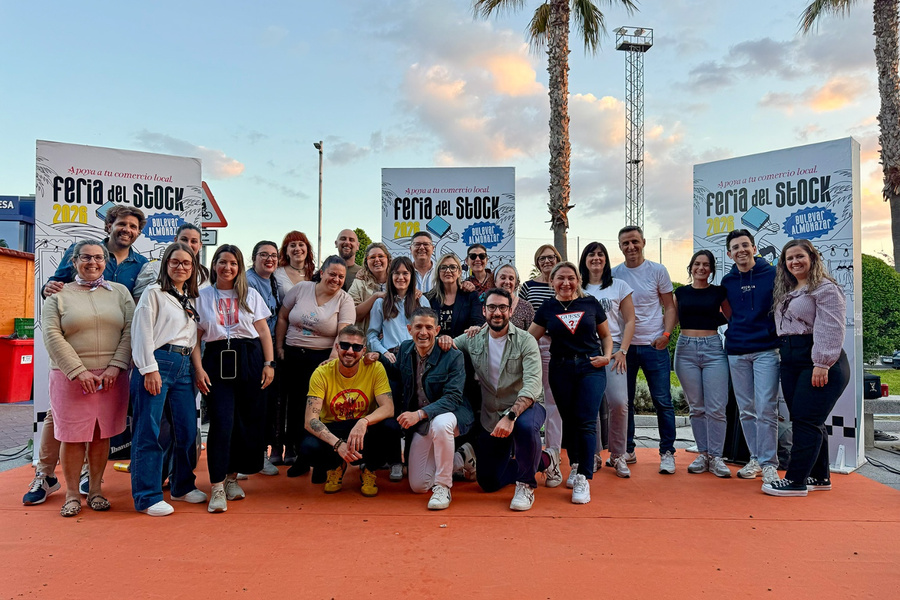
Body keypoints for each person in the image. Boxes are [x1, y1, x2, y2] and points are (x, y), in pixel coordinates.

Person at [25, 205, 148, 506]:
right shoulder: (81, 252)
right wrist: (47, 289)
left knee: (100, 430)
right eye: (121, 224)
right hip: (73, 367)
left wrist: (118, 364)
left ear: (138, 232)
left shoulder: (140, 264)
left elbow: (133, 319)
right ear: (109, 225)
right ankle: (45, 475)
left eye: (133, 226)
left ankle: (90, 483)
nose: (127, 230)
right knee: (62, 423)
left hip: (110, 365)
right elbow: (53, 290)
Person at [41, 240, 135, 516]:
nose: (92, 263)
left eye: (98, 258)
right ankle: (71, 494)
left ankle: (95, 490)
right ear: (74, 261)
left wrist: (116, 366)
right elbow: (51, 335)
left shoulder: (120, 292)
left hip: (110, 378)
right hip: (70, 377)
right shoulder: (58, 295)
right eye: (85, 257)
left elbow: (130, 330)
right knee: (71, 437)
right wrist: (77, 371)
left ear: (106, 262)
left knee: (100, 435)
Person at [442, 288, 555, 511]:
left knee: (524, 426)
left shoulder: (525, 340)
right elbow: (450, 345)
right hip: (491, 414)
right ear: (484, 311)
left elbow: (533, 384)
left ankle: (526, 484)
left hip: (526, 408)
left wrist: (511, 416)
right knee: (488, 482)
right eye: (492, 307)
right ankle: (544, 460)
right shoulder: (473, 339)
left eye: (502, 307)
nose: (497, 312)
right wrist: (444, 339)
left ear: (510, 311)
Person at [763, 240, 850, 497]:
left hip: (818, 359)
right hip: (791, 358)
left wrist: (822, 363)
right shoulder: (790, 289)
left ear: (812, 257)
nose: (794, 262)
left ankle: (796, 481)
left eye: (799, 256)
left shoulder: (824, 288)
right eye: (789, 258)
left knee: (806, 420)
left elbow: (831, 328)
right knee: (809, 420)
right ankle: (819, 476)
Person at [193, 244, 275, 513]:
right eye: (222, 262)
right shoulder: (201, 296)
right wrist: (198, 369)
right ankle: (216, 485)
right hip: (217, 360)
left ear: (239, 267)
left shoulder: (250, 295)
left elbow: (263, 331)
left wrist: (269, 364)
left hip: (249, 357)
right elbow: (194, 338)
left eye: (233, 263)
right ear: (214, 264)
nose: (227, 268)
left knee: (245, 422)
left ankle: (231, 479)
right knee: (221, 422)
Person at [130, 242, 206, 517]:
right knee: (149, 432)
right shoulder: (154, 293)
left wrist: (197, 369)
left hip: (184, 366)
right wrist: (149, 369)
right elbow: (142, 332)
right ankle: (147, 496)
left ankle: (182, 486)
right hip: (158, 363)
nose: (181, 267)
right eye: (175, 262)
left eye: (186, 263)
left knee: (186, 430)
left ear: (193, 267)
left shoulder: (190, 297)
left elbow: (193, 337)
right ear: (165, 264)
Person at [529, 262, 612, 504]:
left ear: (578, 281)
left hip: (590, 367)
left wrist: (606, 357)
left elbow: (606, 335)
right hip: (560, 368)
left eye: (571, 278)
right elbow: (529, 337)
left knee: (586, 421)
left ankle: (584, 478)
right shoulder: (547, 307)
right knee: (570, 420)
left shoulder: (590, 303)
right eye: (560, 278)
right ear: (551, 282)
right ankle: (575, 464)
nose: (566, 283)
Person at [385, 307, 474, 510]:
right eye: (418, 327)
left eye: (428, 327)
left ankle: (443, 486)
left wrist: (418, 414)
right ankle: (461, 457)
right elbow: (396, 377)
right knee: (419, 485)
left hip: (453, 414)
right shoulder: (405, 350)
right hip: (422, 422)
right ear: (409, 329)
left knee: (441, 424)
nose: (423, 332)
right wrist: (372, 358)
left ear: (437, 330)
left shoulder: (452, 355)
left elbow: (453, 398)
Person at [275, 255, 356, 477]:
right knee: (295, 408)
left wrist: (332, 359)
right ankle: (300, 457)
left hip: (322, 359)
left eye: (341, 276)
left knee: (320, 411)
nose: (336, 279)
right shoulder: (301, 289)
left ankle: (322, 462)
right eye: (332, 274)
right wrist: (279, 346)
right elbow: (282, 317)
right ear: (322, 272)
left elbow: (344, 333)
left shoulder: (344, 300)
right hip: (292, 355)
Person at [611, 226, 678, 475]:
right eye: (625, 243)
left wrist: (666, 336)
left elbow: (670, 307)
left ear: (643, 242)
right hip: (623, 349)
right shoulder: (613, 274)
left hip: (653, 346)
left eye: (635, 242)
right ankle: (627, 449)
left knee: (663, 401)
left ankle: (667, 452)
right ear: (619, 246)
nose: (631, 247)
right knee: (623, 402)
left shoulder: (658, 270)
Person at [302, 326, 399, 496]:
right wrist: (339, 444)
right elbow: (310, 420)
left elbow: (388, 408)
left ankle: (369, 469)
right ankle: (335, 466)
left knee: (391, 428)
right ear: (337, 347)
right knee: (308, 447)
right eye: (345, 345)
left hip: (362, 428)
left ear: (364, 350)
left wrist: (364, 421)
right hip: (334, 427)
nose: (350, 351)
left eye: (356, 347)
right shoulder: (322, 373)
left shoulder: (375, 368)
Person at [721, 229, 781, 485]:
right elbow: (727, 313)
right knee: (746, 410)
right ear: (729, 253)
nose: (741, 250)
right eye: (736, 247)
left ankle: (769, 464)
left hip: (767, 349)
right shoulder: (727, 281)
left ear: (754, 248)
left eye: (745, 245)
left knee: (766, 407)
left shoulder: (775, 274)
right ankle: (755, 458)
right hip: (737, 351)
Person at [672, 250, 732, 478]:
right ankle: (703, 453)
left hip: (713, 349)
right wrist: (663, 335)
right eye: (697, 264)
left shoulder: (719, 292)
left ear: (711, 269)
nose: (701, 268)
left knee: (716, 407)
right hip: (685, 349)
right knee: (696, 407)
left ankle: (716, 457)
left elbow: (731, 318)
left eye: (706, 265)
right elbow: (671, 316)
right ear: (690, 267)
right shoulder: (681, 292)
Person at [579, 242, 635, 478]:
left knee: (619, 403)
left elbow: (630, 320)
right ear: (584, 259)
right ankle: (592, 455)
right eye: (591, 254)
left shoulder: (619, 286)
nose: (596, 258)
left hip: (613, 354)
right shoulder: (578, 287)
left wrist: (623, 350)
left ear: (606, 259)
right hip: (585, 353)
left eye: (600, 254)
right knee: (590, 407)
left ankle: (618, 455)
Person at [519, 244, 564, 486]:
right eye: (543, 258)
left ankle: (553, 454)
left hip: (558, 348)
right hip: (534, 345)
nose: (547, 261)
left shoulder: (563, 284)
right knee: (532, 400)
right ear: (537, 262)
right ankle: (532, 451)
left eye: (551, 257)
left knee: (554, 402)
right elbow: (524, 316)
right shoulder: (528, 286)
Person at [246, 241, 282, 474]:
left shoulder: (273, 281)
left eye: (273, 255)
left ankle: (258, 456)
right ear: (254, 257)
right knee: (251, 405)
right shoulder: (248, 282)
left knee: (264, 406)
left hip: (266, 347)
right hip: (250, 348)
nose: (269, 259)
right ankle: (247, 458)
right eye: (263, 255)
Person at [367, 257, 432, 363]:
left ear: (411, 276)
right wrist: (383, 353)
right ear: (391, 276)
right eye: (396, 273)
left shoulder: (421, 301)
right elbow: (371, 335)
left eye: (405, 273)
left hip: (417, 358)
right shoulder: (381, 303)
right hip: (391, 357)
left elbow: (430, 331)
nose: (401, 277)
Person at [133, 223, 209, 299]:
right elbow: (139, 300)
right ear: (176, 240)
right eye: (184, 239)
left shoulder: (206, 274)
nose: (188, 244)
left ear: (200, 245)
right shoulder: (153, 268)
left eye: (194, 241)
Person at [424, 253, 485, 339]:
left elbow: (479, 322)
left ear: (459, 272)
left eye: (453, 267)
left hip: (463, 347)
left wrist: (475, 328)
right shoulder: (429, 298)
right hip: (436, 348)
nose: (448, 271)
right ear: (438, 272)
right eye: (443, 267)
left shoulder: (470, 296)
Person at [348, 242, 392, 333]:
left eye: (381, 256)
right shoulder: (358, 283)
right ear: (366, 262)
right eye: (372, 257)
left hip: (393, 340)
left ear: (388, 259)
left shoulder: (397, 282)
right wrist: (375, 297)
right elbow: (353, 314)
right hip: (366, 340)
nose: (377, 260)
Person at [273, 230, 315, 295]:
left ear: (307, 249)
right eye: (293, 245)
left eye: (301, 245)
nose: (297, 249)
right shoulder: (276, 273)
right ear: (286, 251)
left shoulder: (315, 274)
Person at [494, 264, 534, 330]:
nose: (507, 282)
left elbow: (532, 336)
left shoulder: (526, 307)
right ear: (495, 281)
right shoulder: (487, 304)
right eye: (503, 278)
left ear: (516, 283)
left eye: (511, 279)